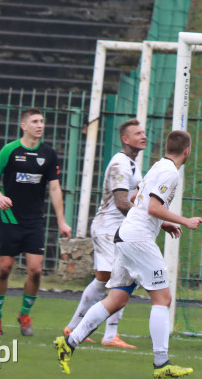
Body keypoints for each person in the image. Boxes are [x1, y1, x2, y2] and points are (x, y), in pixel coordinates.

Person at [54, 129, 202, 378]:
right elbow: (154, 206)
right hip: (139, 240)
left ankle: (68, 342)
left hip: (125, 235)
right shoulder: (169, 173)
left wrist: (162, 223)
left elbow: (137, 196)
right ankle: (162, 364)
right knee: (163, 299)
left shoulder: (158, 165)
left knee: (116, 299)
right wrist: (183, 220)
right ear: (187, 151)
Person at [0, 107, 72, 336]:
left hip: (34, 221)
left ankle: (24, 315)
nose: (40, 125)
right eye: (35, 121)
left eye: (42, 121)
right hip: (9, 218)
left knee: (35, 271)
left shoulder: (48, 154)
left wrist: (62, 222)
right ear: (24, 126)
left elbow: (54, 188)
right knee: (4, 269)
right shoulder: (10, 150)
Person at [63, 118, 148, 349]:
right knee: (121, 280)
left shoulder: (131, 163)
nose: (143, 136)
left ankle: (73, 327)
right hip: (109, 229)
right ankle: (110, 335)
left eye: (144, 132)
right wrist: (145, 218)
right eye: (138, 133)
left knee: (103, 280)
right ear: (125, 139)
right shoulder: (121, 164)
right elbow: (121, 202)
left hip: (115, 228)